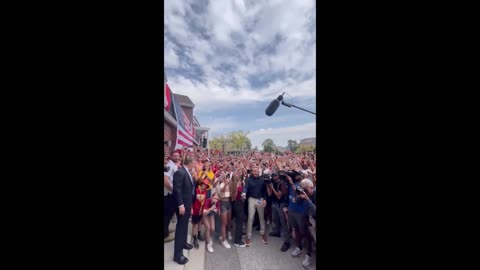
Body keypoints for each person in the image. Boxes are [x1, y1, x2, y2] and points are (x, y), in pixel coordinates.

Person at [283, 175, 312, 269]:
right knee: (296, 230)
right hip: (292, 211)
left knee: (306, 234)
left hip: (301, 214)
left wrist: (291, 183)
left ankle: (308, 255)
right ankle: (299, 247)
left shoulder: (304, 187)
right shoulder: (290, 184)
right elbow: (287, 194)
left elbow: (298, 194)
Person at [172, 157, 196, 265]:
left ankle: (184, 243)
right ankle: (177, 255)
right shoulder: (180, 172)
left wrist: (189, 206)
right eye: (194, 163)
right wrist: (181, 205)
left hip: (187, 204)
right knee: (180, 228)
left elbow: (189, 190)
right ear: (190, 163)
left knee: (185, 225)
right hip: (182, 205)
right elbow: (177, 190)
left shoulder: (188, 172)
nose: (195, 165)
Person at [242, 167, 268, 246]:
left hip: (260, 199)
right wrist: (244, 192)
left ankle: (262, 233)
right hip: (252, 199)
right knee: (250, 217)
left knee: (261, 217)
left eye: (256, 171)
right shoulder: (248, 179)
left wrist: (265, 199)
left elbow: (264, 190)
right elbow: (246, 187)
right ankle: (248, 236)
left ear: (258, 171)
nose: (254, 172)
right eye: (253, 171)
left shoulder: (262, 179)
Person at [267, 172, 289, 243]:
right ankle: (276, 232)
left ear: (278, 176)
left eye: (275, 175)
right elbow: (269, 194)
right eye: (273, 175)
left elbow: (279, 196)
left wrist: (272, 187)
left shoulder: (281, 184)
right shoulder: (272, 182)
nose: (274, 177)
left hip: (281, 204)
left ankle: (287, 240)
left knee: (283, 221)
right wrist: (268, 185)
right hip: (274, 203)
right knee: (275, 219)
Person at [164, 151, 180, 242]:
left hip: (169, 194)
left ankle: (166, 229)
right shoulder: (170, 166)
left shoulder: (173, 165)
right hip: (168, 195)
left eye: (178, 156)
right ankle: (165, 234)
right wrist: (173, 190)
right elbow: (165, 180)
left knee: (169, 214)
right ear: (171, 156)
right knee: (167, 214)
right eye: (175, 156)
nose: (177, 157)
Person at [216, 171, 232, 248]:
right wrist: (226, 183)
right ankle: (223, 240)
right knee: (224, 223)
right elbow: (222, 191)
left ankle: (224, 235)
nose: (226, 178)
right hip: (223, 204)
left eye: (227, 177)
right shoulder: (220, 185)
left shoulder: (230, 184)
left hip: (229, 203)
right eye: (225, 177)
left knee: (228, 221)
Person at [191, 178, 209, 249]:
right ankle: (195, 239)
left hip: (200, 211)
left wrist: (202, 209)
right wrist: (191, 208)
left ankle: (199, 234)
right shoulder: (196, 190)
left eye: (206, 185)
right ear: (201, 184)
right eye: (203, 184)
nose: (204, 186)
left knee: (199, 223)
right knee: (194, 224)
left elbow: (204, 202)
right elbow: (192, 200)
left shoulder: (205, 192)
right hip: (195, 211)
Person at [230, 173, 246, 247]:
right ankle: (237, 241)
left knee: (234, 221)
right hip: (239, 205)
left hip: (232, 204)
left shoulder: (230, 186)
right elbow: (243, 197)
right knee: (239, 223)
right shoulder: (239, 188)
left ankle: (232, 234)